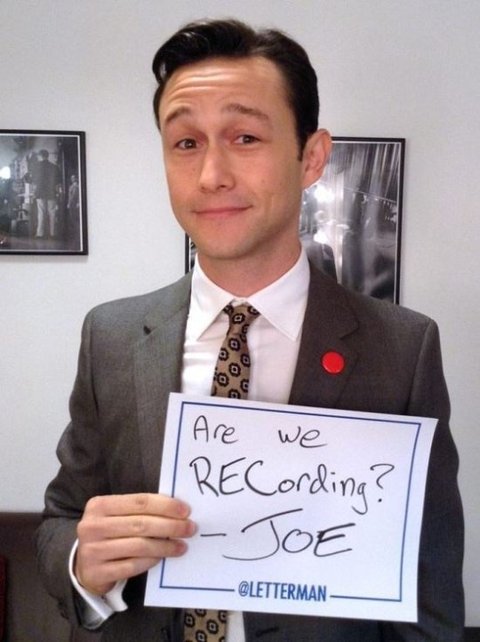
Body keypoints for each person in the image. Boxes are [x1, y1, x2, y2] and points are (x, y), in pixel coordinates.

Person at [37, 18, 464, 642]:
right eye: (186, 142)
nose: (211, 174)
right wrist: (82, 564)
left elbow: (428, 583)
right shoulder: (112, 335)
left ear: (311, 156)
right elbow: (61, 518)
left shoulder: (402, 349)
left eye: (245, 137)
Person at [32, 149, 62, 238]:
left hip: (40, 192)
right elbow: (58, 181)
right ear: (47, 156)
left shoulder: (36, 167)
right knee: (52, 212)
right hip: (51, 192)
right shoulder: (54, 167)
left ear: (40, 156)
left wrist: (35, 189)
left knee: (41, 213)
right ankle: (53, 233)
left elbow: (33, 180)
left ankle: (40, 233)